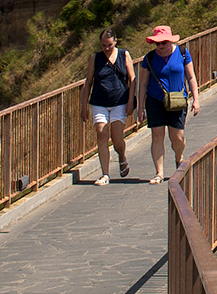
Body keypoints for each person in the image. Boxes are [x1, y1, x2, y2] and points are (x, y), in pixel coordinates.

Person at [136, 26, 200, 183]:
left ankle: (179, 157)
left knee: (177, 137)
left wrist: (196, 99)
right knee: (157, 135)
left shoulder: (183, 53)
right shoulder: (149, 58)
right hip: (155, 100)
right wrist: (140, 107)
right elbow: (143, 83)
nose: (161, 47)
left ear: (170, 41)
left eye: (163, 43)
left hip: (178, 100)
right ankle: (159, 173)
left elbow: (191, 77)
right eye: (157, 44)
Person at [82, 28, 133, 184]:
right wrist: (83, 105)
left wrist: (131, 101)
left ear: (115, 41)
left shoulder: (124, 55)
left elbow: (133, 79)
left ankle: (122, 157)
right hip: (99, 102)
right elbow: (88, 82)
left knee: (117, 139)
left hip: (119, 101)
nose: (106, 48)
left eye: (109, 45)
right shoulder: (95, 58)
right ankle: (105, 174)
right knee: (101, 133)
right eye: (103, 45)